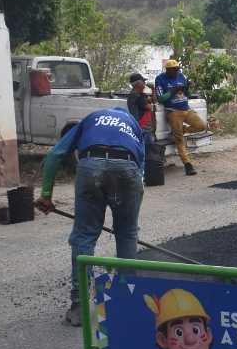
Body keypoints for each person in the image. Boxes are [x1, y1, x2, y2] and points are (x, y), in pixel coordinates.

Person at [35, 107, 145, 326]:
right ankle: (128, 300)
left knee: (84, 236)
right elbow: (141, 169)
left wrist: (46, 195)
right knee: (127, 234)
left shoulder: (90, 119)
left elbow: (55, 155)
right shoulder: (133, 124)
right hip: (128, 168)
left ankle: (80, 306)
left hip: (90, 166)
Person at [155, 59, 206, 176]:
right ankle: (188, 165)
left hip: (186, 109)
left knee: (202, 126)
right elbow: (160, 99)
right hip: (173, 112)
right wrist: (172, 92)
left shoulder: (181, 76)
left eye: (177, 69)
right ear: (167, 70)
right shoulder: (160, 79)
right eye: (174, 70)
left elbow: (187, 94)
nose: (176, 72)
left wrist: (187, 88)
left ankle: (182, 130)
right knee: (179, 140)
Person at [127, 72, 159, 185]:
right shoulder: (136, 96)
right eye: (143, 81)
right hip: (142, 128)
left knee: (144, 152)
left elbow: (153, 101)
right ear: (138, 83)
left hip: (142, 128)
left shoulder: (138, 95)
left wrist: (153, 91)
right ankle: (141, 176)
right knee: (144, 153)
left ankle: (141, 176)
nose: (145, 83)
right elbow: (150, 106)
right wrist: (152, 93)